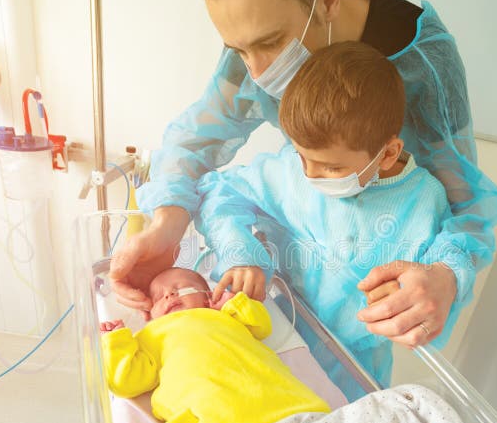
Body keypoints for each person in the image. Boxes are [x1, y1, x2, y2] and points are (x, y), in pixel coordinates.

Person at [110, 0, 497, 347]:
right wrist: (167, 223)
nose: (258, 73)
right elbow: (195, 140)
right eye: (239, 51)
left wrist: (445, 275)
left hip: (355, 332)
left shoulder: (422, 68)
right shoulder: (258, 43)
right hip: (286, 303)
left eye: (271, 42)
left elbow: (466, 203)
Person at [196, 41, 458, 386]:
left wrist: (406, 299)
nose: (310, 174)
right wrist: (242, 254)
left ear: (387, 154)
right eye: (302, 156)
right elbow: (219, 193)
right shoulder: (290, 173)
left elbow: (436, 282)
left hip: (356, 370)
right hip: (276, 337)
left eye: (331, 167)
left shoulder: (425, 202)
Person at [100, 267, 330, 423]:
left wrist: (234, 302)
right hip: (205, 417)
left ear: (208, 296)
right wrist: (117, 341)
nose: (169, 295)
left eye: (179, 289)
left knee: (316, 422)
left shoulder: (224, 316)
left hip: (270, 399)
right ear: (148, 315)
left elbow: (261, 325)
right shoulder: (151, 334)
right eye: (159, 297)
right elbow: (127, 381)